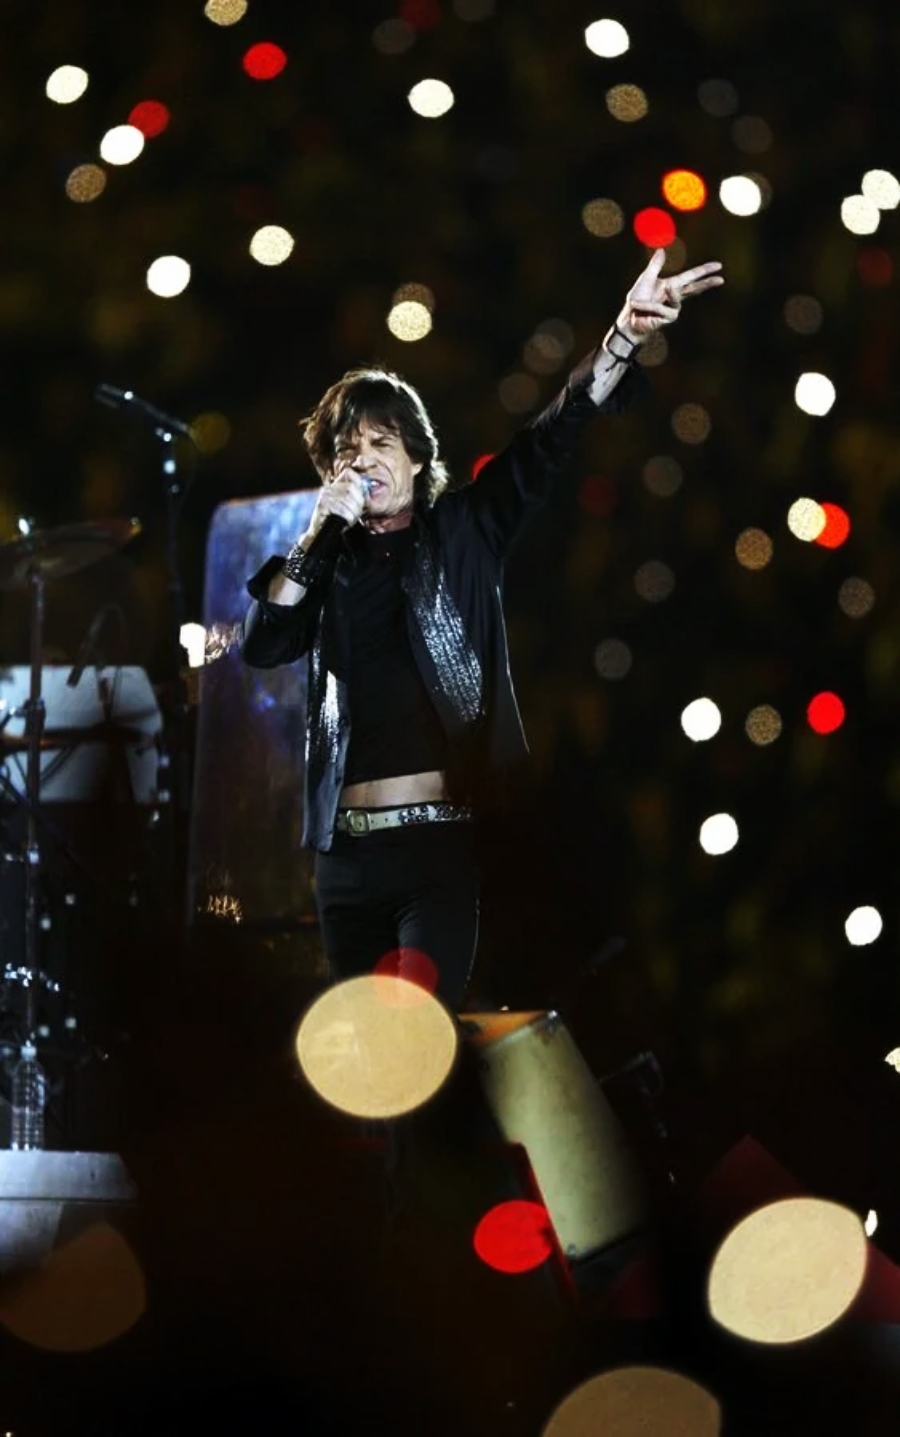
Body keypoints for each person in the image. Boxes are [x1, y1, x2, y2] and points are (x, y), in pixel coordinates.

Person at [241, 247, 723, 1011]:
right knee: (364, 1071)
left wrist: (623, 338)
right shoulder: (320, 565)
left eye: (379, 443)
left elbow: (548, 438)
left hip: (437, 848)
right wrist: (313, 538)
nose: (360, 461)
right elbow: (264, 645)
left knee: (424, 1037)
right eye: (344, 450)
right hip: (345, 859)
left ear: (416, 455)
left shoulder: (465, 529)